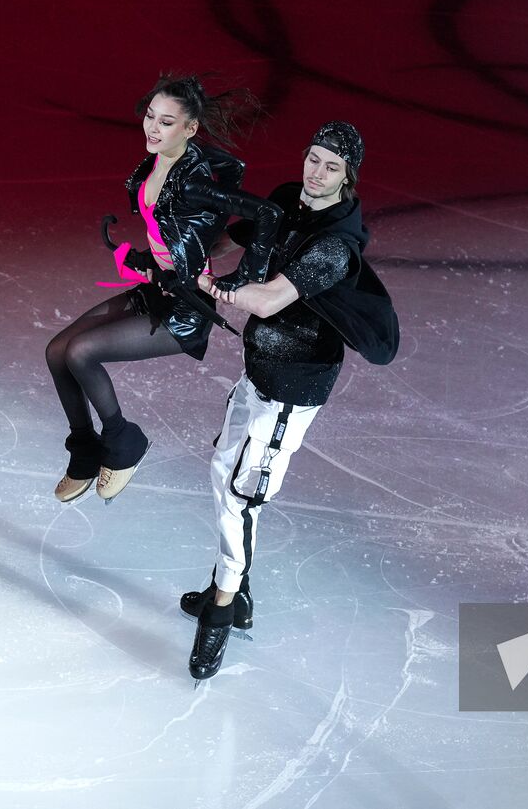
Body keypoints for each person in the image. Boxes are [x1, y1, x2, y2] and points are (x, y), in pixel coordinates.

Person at [181, 120, 398, 681]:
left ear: (347, 176)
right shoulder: (283, 202)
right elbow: (235, 236)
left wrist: (200, 282)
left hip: (296, 383)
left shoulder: (333, 246)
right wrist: (183, 237)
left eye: (331, 165)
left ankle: (223, 611)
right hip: (259, 369)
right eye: (313, 157)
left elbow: (270, 300)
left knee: (244, 493)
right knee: (224, 469)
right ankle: (237, 589)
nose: (316, 171)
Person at [44, 74, 281, 504]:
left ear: (189, 129)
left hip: (184, 311)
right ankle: (84, 453)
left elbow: (267, 214)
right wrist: (146, 261)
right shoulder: (156, 164)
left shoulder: (194, 181)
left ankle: (123, 442)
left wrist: (241, 279)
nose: (153, 128)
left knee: (81, 353)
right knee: (57, 351)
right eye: (151, 116)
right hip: (158, 288)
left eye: (167, 122)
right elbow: (172, 235)